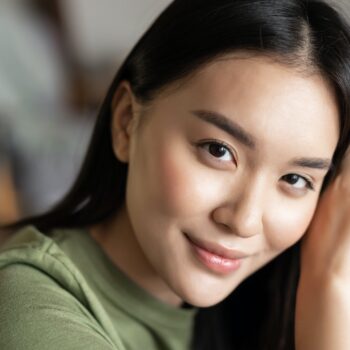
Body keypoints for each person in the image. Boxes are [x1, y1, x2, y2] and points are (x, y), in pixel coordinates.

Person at [1, 0, 350, 349]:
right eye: (218, 150)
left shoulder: (243, 316)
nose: (244, 221)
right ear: (126, 122)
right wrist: (326, 293)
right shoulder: (30, 311)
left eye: (294, 179)